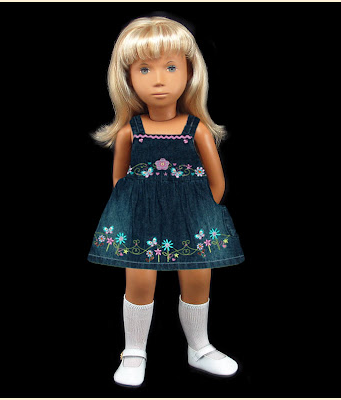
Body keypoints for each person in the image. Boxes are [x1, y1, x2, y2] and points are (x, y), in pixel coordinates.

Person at [87, 16, 245, 388]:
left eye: (171, 67)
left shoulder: (197, 129)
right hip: (142, 221)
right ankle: (134, 351)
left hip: (193, 220)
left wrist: (200, 212)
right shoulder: (130, 132)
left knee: (198, 279)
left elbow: (217, 181)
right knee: (139, 281)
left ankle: (199, 347)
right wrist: (135, 211)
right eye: (144, 69)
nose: (159, 79)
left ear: (189, 73)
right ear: (128, 78)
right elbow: (120, 180)